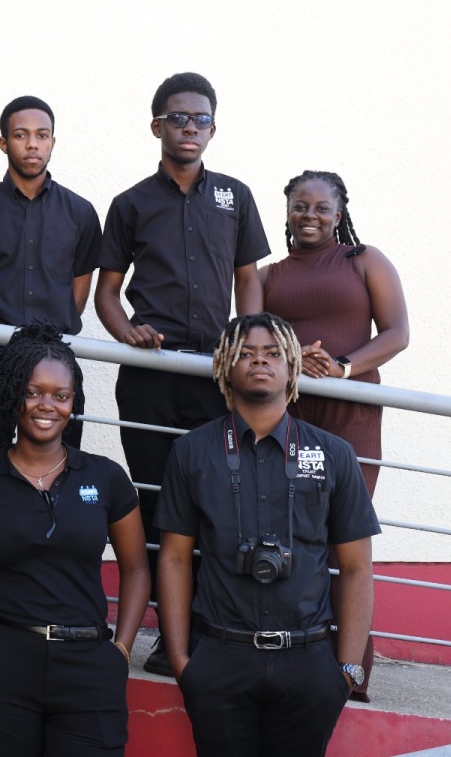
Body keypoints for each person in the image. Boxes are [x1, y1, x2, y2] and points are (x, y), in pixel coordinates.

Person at [93, 71, 270, 675]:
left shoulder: (235, 197)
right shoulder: (131, 203)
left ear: (212, 128)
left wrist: (248, 344)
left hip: (214, 375)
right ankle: (160, 635)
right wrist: (127, 335)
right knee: (152, 501)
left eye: (200, 120)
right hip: (150, 375)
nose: (189, 128)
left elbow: (249, 278)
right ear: (157, 126)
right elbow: (108, 293)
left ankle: (202, 629)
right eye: (178, 119)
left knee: (214, 498)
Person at [155, 313, 379, 757]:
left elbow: (355, 567)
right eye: (245, 352)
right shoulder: (191, 452)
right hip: (219, 655)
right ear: (225, 366)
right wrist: (183, 662)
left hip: (309, 660)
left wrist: (346, 669)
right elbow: (175, 559)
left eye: (273, 353)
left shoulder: (333, 454)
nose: (260, 361)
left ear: (292, 366)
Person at [0, 322, 150, 757]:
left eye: (61, 396)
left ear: (74, 403)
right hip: (4, 664)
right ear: (13, 393)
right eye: (34, 391)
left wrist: (121, 651)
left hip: (89, 665)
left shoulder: (106, 477)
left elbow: (135, 569)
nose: (46, 406)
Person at [261, 170, 409, 700]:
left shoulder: (364, 260)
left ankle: (350, 668)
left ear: (340, 213)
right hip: (289, 416)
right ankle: (293, 657)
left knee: (345, 537)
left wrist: (343, 367)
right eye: (301, 206)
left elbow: (397, 333)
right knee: (289, 535)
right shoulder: (267, 274)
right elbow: (253, 338)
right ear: (287, 213)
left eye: (322, 208)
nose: (311, 216)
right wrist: (295, 362)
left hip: (353, 418)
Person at [0, 96, 101, 461]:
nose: (32, 144)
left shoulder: (80, 213)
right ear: (3, 143)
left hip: (58, 363)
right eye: (21, 135)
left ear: (52, 143)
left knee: (62, 463)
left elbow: (79, 290)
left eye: (42, 135)